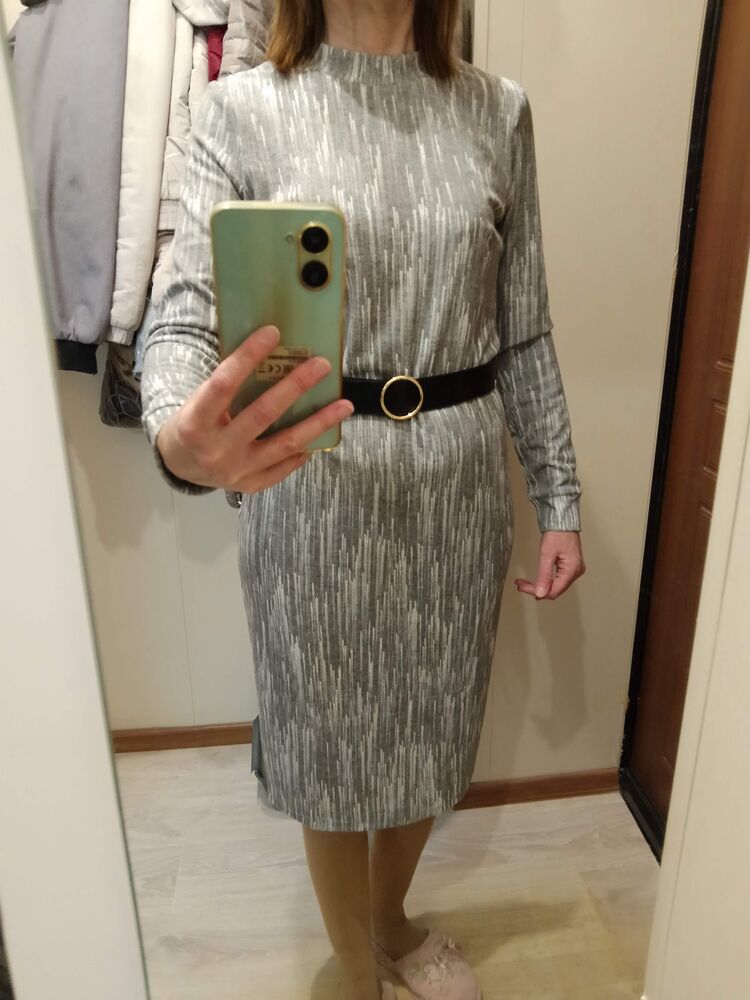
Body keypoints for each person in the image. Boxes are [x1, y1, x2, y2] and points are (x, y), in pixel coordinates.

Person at [140, 1, 586, 997]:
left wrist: (558, 496)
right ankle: (354, 974)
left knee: (431, 728)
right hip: (314, 486)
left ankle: (388, 920)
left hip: (458, 491)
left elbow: (525, 330)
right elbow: (180, 319)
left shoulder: (498, 112)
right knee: (329, 751)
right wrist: (178, 431)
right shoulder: (240, 112)